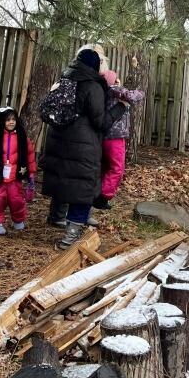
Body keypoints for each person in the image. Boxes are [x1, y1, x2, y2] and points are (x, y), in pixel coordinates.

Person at [42, 45, 127, 249]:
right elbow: (101, 122)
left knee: (66, 185)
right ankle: (70, 238)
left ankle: (57, 218)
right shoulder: (92, 86)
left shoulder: (64, 80)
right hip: (83, 147)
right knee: (84, 191)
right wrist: (120, 108)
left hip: (59, 142)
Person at [0, 106, 36, 235]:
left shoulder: (22, 139)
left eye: (13, 119)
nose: (11, 122)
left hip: (15, 176)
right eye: (7, 119)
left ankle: (18, 220)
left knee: (17, 200)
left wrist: (31, 173)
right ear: (1, 121)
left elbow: (29, 156)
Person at [94, 70, 144, 210]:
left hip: (104, 136)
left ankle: (98, 193)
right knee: (117, 168)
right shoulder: (114, 89)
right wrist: (141, 92)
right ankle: (103, 196)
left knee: (105, 166)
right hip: (115, 136)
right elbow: (130, 95)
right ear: (115, 81)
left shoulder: (103, 91)